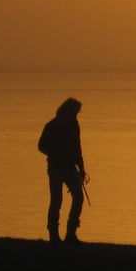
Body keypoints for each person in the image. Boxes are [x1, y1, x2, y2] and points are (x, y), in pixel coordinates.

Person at [38, 97, 88, 245]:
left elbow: (77, 146)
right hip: (55, 167)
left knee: (78, 198)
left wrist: (81, 167)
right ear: (68, 110)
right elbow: (41, 146)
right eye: (75, 112)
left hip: (70, 167)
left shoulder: (74, 125)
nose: (76, 115)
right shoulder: (52, 126)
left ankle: (70, 234)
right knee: (56, 201)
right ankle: (54, 236)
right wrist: (54, 153)